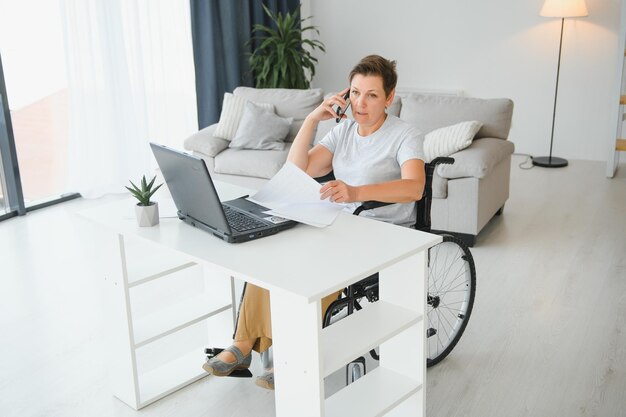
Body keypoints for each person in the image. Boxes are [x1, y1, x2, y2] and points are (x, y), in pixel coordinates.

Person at [202, 55, 426, 390]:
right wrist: (312, 119)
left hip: (383, 231)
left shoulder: (405, 135)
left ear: (389, 98)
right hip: (341, 223)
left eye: (372, 95)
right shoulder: (344, 130)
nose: (360, 103)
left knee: (317, 269)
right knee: (275, 251)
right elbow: (298, 169)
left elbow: (414, 187)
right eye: (354, 92)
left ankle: (292, 355)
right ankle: (245, 343)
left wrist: (355, 192)